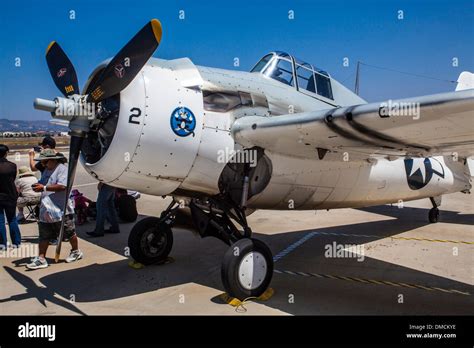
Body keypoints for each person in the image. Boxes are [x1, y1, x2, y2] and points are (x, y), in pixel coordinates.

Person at [26, 149, 83, 269]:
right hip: (46, 210)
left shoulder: (62, 169)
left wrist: (44, 187)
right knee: (44, 235)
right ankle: (41, 258)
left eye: (44, 162)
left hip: (61, 209)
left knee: (69, 233)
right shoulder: (47, 169)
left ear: (52, 160)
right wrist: (38, 186)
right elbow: (43, 183)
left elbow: (62, 186)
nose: (42, 165)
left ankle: (76, 251)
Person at [0, 144, 21, 248]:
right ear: (5, 153)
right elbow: (12, 179)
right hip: (10, 195)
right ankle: (16, 242)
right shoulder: (12, 165)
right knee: (12, 219)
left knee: (0, 221)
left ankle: (2, 243)